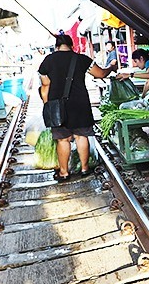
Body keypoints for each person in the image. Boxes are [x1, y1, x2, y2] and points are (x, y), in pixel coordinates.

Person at [38, 33, 118, 180]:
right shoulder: (81, 59)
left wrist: (47, 104)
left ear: (57, 46)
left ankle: (64, 172)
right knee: (81, 136)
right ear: (72, 45)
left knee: (63, 139)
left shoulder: (48, 61)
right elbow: (100, 74)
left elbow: (45, 85)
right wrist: (111, 68)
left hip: (58, 105)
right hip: (80, 103)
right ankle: (85, 168)